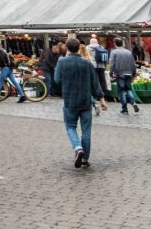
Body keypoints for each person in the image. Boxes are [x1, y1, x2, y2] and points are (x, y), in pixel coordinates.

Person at [56, 38, 106, 168]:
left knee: (70, 127)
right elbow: (95, 82)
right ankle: (85, 159)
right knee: (86, 131)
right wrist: (101, 99)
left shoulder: (62, 62)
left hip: (70, 100)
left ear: (67, 48)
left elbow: (57, 80)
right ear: (79, 48)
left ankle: (78, 148)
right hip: (85, 100)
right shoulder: (87, 63)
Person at [108, 39, 139, 115]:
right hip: (129, 73)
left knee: (121, 91)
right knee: (128, 89)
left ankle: (124, 109)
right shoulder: (129, 52)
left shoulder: (114, 52)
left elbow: (111, 64)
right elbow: (133, 64)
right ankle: (133, 103)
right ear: (122, 43)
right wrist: (134, 73)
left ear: (115, 44)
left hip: (119, 74)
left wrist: (111, 73)